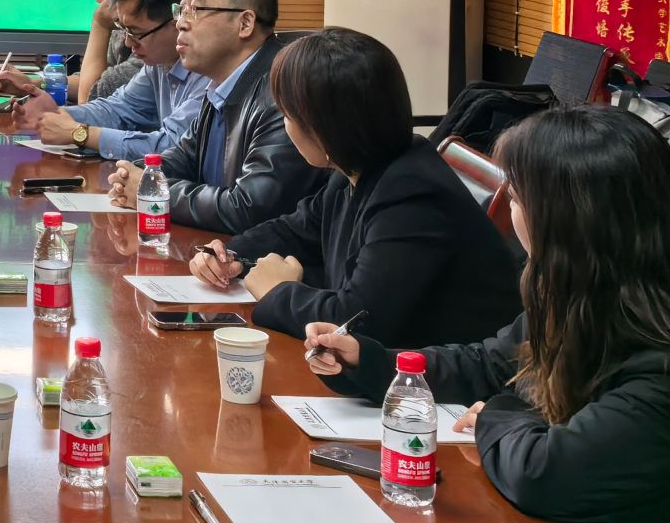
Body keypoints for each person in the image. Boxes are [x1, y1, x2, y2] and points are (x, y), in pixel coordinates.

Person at [306, 106, 670, 523]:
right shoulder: (583, 287)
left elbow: (548, 473)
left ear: (566, 218)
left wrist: (498, 415)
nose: (511, 212)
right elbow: (490, 362)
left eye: (516, 198)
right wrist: (370, 362)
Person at [189, 28, 521, 345]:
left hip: (439, 377)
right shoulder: (356, 167)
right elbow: (296, 229)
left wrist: (278, 292)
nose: (285, 127)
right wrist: (227, 255)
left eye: (287, 115)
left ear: (324, 128)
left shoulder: (412, 196)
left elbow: (356, 321)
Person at [106, 0, 320, 234]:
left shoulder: (282, 92)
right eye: (181, 9)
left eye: (195, 10)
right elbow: (183, 158)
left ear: (245, 23)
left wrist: (155, 189)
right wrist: (134, 174)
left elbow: (249, 208)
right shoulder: (222, 84)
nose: (180, 23)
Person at [0, 0, 205, 160]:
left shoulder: (207, 73)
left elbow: (172, 146)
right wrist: (57, 114)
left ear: (177, 22)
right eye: (124, 30)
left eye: (136, 32)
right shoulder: (158, 65)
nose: (128, 43)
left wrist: (80, 133)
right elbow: (117, 109)